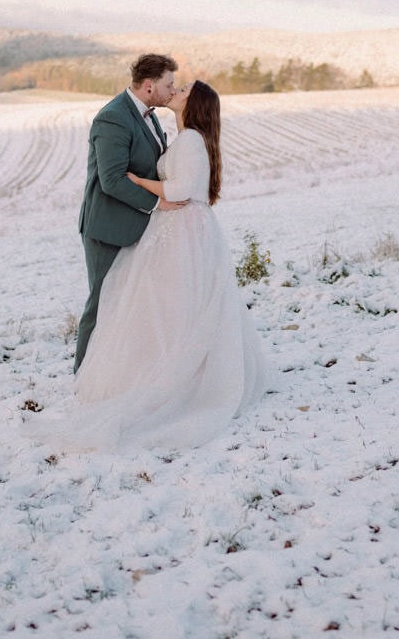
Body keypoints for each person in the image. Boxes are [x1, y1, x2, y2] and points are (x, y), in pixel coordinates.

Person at [41, 79, 266, 452]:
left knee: (170, 305)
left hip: (182, 230)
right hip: (178, 228)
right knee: (170, 306)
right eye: (174, 85)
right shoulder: (184, 137)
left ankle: (178, 379)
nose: (175, 91)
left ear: (194, 104)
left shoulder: (190, 140)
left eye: (183, 90)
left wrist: (138, 181)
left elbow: (180, 191)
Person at [74, 53, 184, 373]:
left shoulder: (149, 115)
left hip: (138, 225)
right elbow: (112, 181)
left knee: (132, 304)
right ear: (149, 86)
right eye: (169, 84)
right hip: (108, 228)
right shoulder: (113, 118)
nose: (173, 90)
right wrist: (158, 203)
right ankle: (83, 378)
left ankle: (120, 374)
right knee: (102, 304)